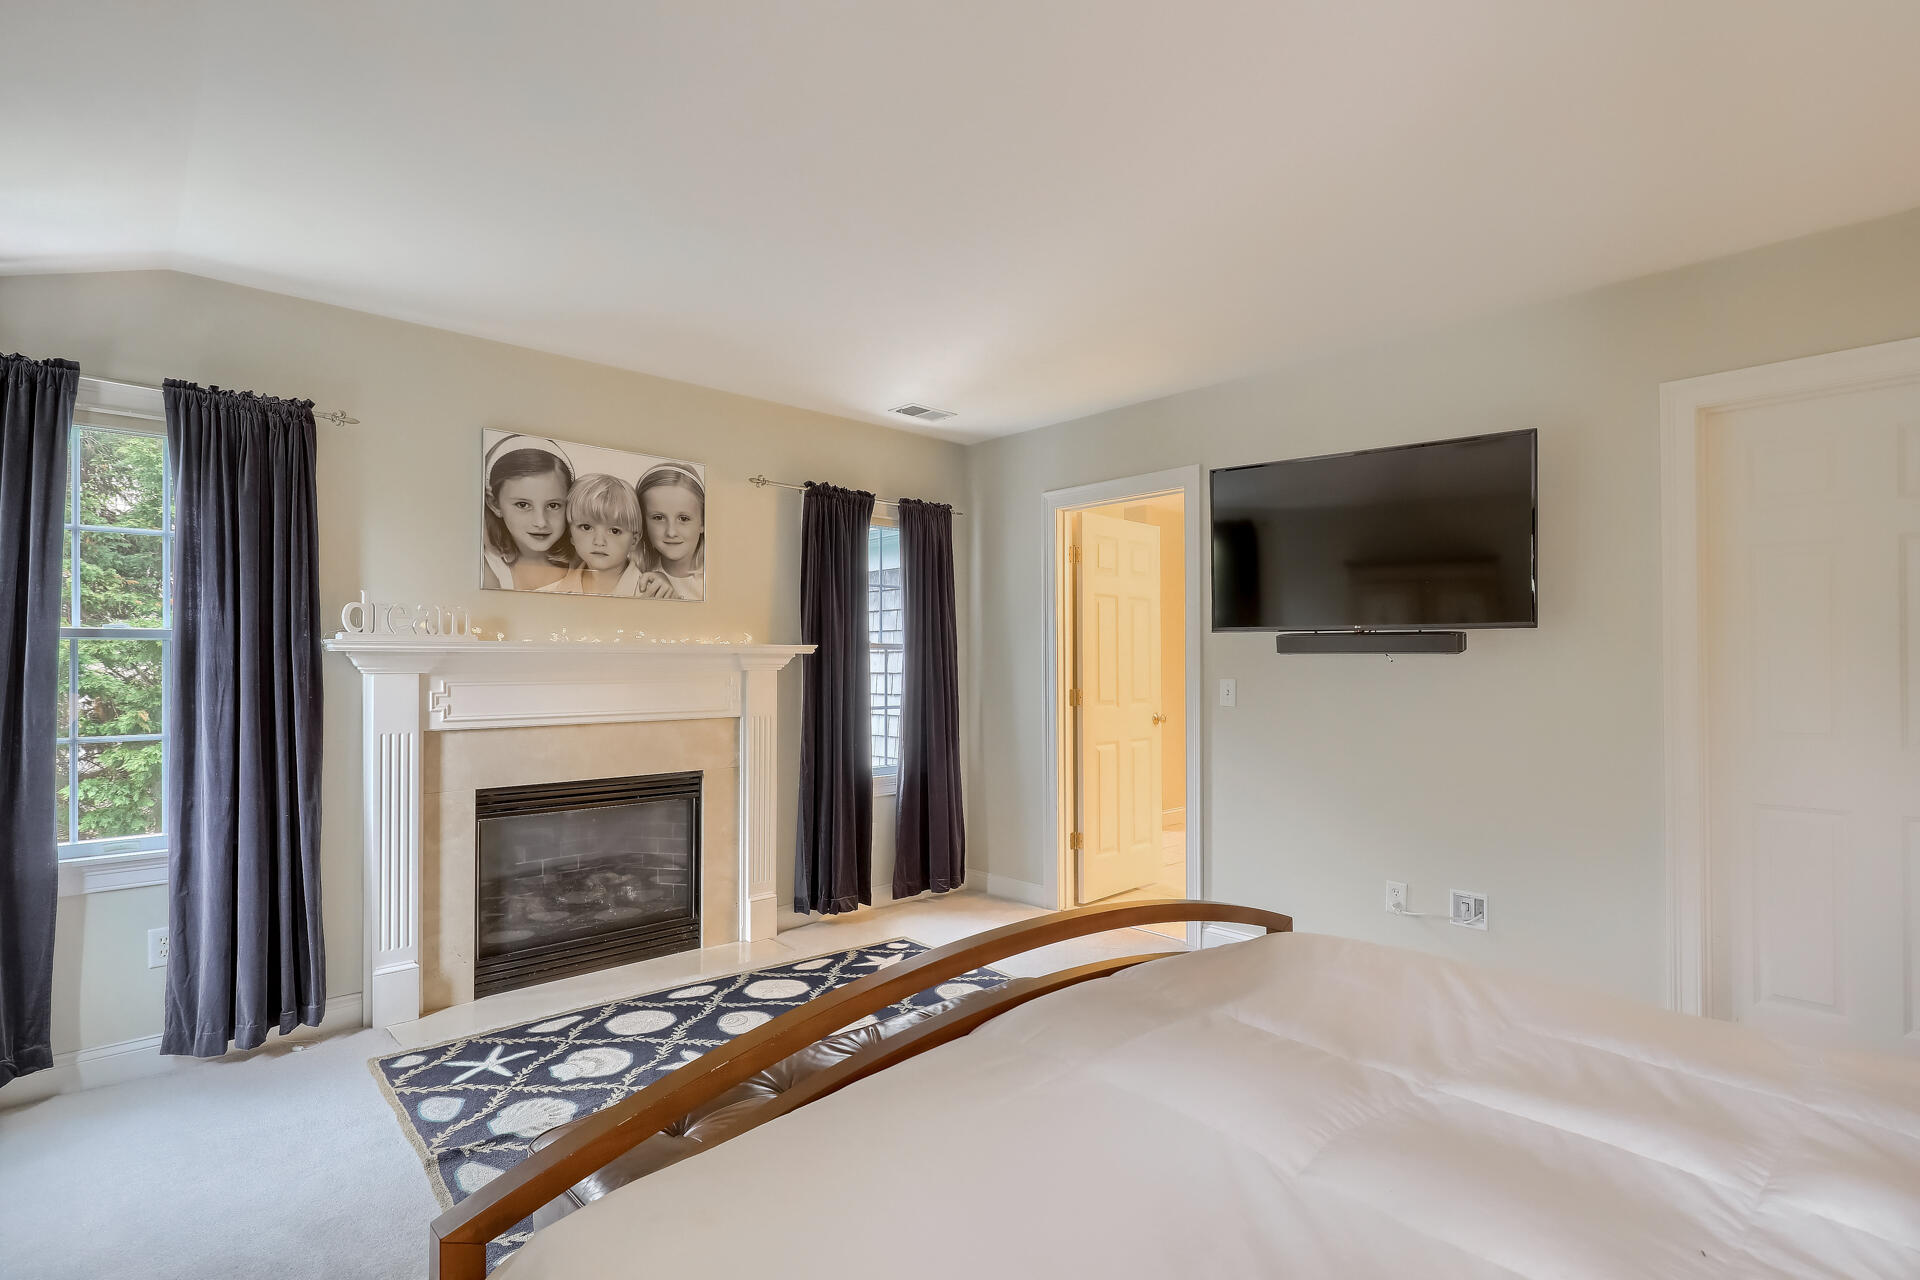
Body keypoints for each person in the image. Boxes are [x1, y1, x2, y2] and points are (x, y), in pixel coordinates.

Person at [482, 435, 575, 590]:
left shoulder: (586, 560)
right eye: (523, 505)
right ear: (495, 504)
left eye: (553, 505)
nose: (541, 522)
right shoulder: (488, 568)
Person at [542, 472, 645, 595]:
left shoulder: (652, 596)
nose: (599, 541)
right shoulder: (547, 594)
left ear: (634, 540)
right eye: (586, 527)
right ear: (571, 535)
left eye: (614, 531)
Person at [634, 463, 707, 600]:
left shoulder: (719, 581)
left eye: (684, 518)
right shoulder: (638, 578)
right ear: (643, 522)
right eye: (658, 518)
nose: (671, 532)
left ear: (702, 522)